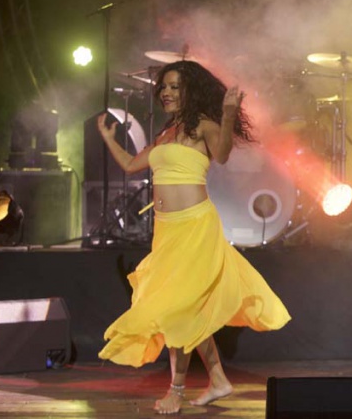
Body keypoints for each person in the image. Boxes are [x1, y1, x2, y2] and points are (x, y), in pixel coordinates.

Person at [96, 60, 291, 414]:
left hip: (195, 227)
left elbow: (222, 154)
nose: (166, 93)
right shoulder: (166, 133)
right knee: (187, 306)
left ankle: (177, 390)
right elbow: (130, 165)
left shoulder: (204, 125)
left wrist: (228, 115)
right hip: (166, 231)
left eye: (175, 87)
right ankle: (217, 379)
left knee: (179, 309)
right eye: (164, 87)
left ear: (191, 91)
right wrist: (110, 139)